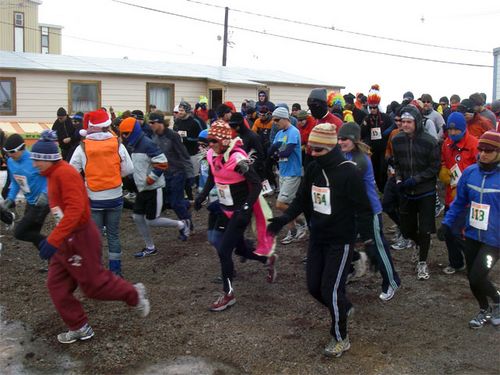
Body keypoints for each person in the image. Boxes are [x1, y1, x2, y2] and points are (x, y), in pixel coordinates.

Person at [30, 130, 150, 344]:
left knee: (93, 285)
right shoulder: (51, 175)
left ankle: (134, 294)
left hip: (80, 236)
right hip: (66, 238)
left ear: (48, 159)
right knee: (56, 284)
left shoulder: (65, 174)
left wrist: (53, 240)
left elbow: (76, 211)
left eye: (38, 160)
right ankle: (79, 327)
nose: (35, 164)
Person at [267, 123, 374, 358]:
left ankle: (340, 337)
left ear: (330, 148)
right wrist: (282, 219)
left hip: (341, 240)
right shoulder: (314, 168)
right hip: (318, 238)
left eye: (318, 150)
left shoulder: (349, 172)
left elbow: (364, 209)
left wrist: (368, 240)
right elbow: (302, 200)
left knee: (331, 290)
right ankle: (343, 308)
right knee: (314, 287)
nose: (312, 154)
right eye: (310, 149)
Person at [194, 120, 277, 312]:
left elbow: (256, 184)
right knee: (239, 250)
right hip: (225, 209)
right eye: (209, 141)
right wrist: (202, 195)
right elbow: (214, 176)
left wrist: (246, 208)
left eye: (214, 141)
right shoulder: (212, 154)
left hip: (240, 212)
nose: (210, 144)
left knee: (224, 251)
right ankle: (268, 260)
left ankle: (228, 294)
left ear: (224, 141)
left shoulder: (238, 159)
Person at [438, 131, 500, 329]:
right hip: (472, 234)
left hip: (494, 240)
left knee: (477, 276)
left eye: (489, 150)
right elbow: (459, 202)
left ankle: (498, 301)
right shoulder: (470, 173)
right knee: (471, 278)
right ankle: (484, 308)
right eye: (481, 149)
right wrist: (447, 223)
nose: (483, 153)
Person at [338, 122, 401, 301]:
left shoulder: (360, 159)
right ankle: (351, 269)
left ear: (355, 140)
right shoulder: (345, 154)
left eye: (345, 139)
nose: (341, 142)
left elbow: (347, 184)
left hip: (369, 211)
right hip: (351, 211)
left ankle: (391, 281)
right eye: (339, 138)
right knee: (344, 243)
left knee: (378, 247)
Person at [69, 110, 133, 277]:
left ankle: (95, 272)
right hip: (115, 197)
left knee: (94, 237)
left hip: (94, 198)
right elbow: (129, 169)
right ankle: (116, 272)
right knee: (113, 234)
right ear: (107, 125)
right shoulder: (117, 144)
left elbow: (71, 172)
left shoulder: (83, 146)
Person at [119, 117, 190, 258]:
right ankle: (150, 247)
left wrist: (150, 179)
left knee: (151, 220)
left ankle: (182, 224)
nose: (124, 136)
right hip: (143, 189)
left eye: (126, 133)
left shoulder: (147, 144)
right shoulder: (135, 144)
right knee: (137, 217)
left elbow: (162, 162)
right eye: (122, 133)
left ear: (133, 131)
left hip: (154, 188)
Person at [392, 105, 440, 280]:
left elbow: (435, 167)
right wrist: (398, 179)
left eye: (408, 122)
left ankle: (422, 263)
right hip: (406, 190)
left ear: (417, 122)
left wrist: (418, 178)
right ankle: (418, 244)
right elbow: (396, 163)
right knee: (406, 229)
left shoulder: (429, 141)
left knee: (425, 229)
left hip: (425, 190)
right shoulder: (397, 140)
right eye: (403, 121)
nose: (405, 125)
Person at [438, 112, 478, 275]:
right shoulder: (446, 144)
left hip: (468, 199)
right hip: (451, 195)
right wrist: (443, 170)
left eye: (456, 130)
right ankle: (456, 263)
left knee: (458, 232)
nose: (453, 133)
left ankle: (475, 262)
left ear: (463, 128)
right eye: (450, 130)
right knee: (448, 232)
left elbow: (481, 168)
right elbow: (443, 161)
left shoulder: (474, 144)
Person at [1, 134, 50, 253]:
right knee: (32, 234)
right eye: (6, 152)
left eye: (12, 151)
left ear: (22, 148)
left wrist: (45, 193)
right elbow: (15, 181)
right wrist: (10, 198)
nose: (9, 155)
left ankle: (54, 248)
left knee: (20, 232)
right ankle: (54, 258)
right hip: (31, 201)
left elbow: (51, 177)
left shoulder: (34, 160)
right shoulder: (11, 162)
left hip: (43, 202)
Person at [268, 107, 306, 245]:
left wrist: (275, 152)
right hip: (282, 171)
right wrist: (275, 153)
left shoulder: (294, 132)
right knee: (287, 204)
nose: (274, 122)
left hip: (293, 172)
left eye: (277, 120)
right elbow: (271, 153)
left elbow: (286, 152)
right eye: (273, 120)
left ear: (285, 118)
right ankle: (293, 230)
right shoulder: (279, 134)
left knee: (280, 204)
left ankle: (302, 221)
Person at [149, 111, 194, 226]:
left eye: (152, 122)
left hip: (177, 173)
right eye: (149, 122)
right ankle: (187, 205)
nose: (150, 125)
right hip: (164, 174)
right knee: (167, 202)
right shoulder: (153, 136)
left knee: (175, 203)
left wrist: (190, 176)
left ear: (160, 123)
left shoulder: (172, 136)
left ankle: (188, 225)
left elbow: (184, 155)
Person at [361, 84, 393, 193]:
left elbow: (393, 125)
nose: (373, 109)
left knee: (382, 170)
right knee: (374, 170)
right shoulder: (367, 118)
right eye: (371, 107)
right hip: (373, 149)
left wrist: (386, 133)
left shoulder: (385, 117)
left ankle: (384, 190)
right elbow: (363, 133)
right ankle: (380, 190)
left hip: (383, 148)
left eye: (375, 107)